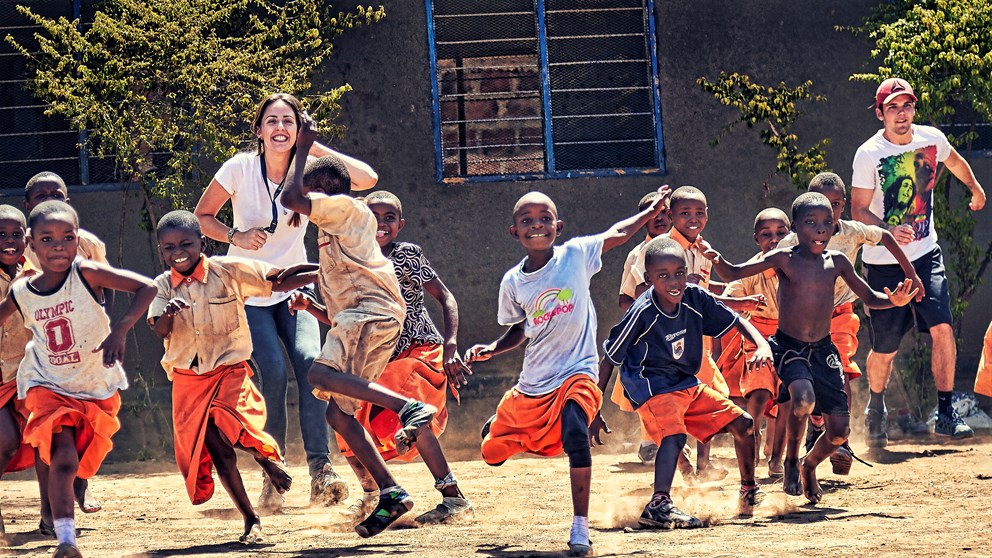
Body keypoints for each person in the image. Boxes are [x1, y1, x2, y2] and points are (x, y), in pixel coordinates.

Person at [463, 186, 671, 557]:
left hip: (579, 372)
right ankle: (501, 425)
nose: (536, 226)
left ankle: (579, 528)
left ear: (557, 227)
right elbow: (519, 329)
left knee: (575, 434)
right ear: (514, 232)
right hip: (534, 383)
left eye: (545, 219)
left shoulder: (575, 254)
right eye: (527, 221)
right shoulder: (513, 282)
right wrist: (492, 348)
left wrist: (648, 212)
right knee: (491, 453)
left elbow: (617, 234)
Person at [194, 93, 377, 508]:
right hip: (248, 290)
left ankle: (320, 470)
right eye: (272, 121)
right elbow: (203, 215)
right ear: (258, 130)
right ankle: (271, 471)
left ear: (299, 129)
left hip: (295, 286)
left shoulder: (307, 169)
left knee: (312, 364)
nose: (280, 128)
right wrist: (234, 237)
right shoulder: (239, 167)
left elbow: (366, 178)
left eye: (289, 122)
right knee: (272, 374)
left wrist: (312, 145)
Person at [280, 114, 437, 538]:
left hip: (370, 311)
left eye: (314, 195)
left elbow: (291, 197)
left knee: (316, 371)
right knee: (338, 412)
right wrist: (306, 273)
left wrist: (302, 148)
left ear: (326, 192)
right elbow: (345, 270)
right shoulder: (341, 225)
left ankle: (408, 407)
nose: (308, 206)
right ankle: (391, 493)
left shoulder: (346, 207)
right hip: (368, 313)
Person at [704, 192, 918, 503]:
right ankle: (790, 459)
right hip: (789, 346)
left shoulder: (838, 262)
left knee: (839, 433)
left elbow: (870, 297)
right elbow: (734, 272)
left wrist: (893, 300)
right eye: (811, 223)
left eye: (826, 224)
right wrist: (717, 260)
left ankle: (809, 465)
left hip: (823, 349)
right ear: (795, 229)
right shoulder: (784, 259)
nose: (820, 230)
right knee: (802, 399)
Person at [289, 190, 474, 526]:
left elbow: (446, 297)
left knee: (409, 415)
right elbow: (346, 322)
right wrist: (310, 307)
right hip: (376, 359)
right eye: (374, 216)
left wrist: (452, 345)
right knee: (344, 418)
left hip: (417, 351)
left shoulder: (407, 256)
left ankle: (454, 497)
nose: (382, 223)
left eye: (390, 217)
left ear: (400, 225)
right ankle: (374, 495)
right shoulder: (347, 263)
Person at [147, 210, 320, 544]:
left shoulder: (228, 271)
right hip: (189, 380)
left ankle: (267, 462)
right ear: (161, 251)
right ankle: (251, 519)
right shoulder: (162, 286)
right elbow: (158, 329)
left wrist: (323, 270)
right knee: (219, 452)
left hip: (228, 371)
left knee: (237, 425)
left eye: (186, 243)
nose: (178, 251)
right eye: (169, 247)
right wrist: (169, 314)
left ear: (203, 242)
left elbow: (279, 280)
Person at [0, 201, 157, 558]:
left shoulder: (87, 273)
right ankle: (66, 540)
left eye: (67, 237)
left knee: (83, 458)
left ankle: (62, 528)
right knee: (63, 457)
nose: (58, 246)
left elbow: (147, 288)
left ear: (77, 240)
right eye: (47, 238)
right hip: (47, 385)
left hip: (91, 384)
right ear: (30, 244)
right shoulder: (22, 292)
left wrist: (120, 328)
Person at [596, 237, 771, 529]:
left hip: (685, 384)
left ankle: (749, 491)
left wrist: (761, 344)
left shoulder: (695, 297)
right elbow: (610, 357)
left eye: (679, 272)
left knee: (744, 424)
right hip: (651, 387)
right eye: (662, 276)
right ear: (649, 278)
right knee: (675, 437)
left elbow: (736, 320)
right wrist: (594, 407)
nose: (673, 281)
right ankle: (659, 505)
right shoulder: (643, 312)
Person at [850, 78, 986, 446]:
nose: (902, 113)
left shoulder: (931, 139)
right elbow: (858, 210)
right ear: (880, 113)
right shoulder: (868, 154)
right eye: (893, 107)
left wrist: (975, 188)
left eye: (907, 105)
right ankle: (875, 406)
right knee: (885, 349)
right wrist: (889, 228)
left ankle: (945, 412)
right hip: (883, 263)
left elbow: (955, 161)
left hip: (926, 255)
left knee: (943, 326)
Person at [778, 171, 926, 465]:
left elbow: (884, 235)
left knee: (842, 367)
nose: (829, 213)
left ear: (843, 205)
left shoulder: (852, 232)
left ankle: (842, 443)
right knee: (808, 380)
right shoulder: (790, 244)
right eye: (821, 204)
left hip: (840, 313)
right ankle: (817, 427)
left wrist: (912, 275)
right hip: (803, 324)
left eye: (835, 205)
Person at [22, 172, 107, 524]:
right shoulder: (16, 244)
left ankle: (78, 488)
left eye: (56, 194)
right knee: (49, 430)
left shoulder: (87, 245)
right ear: (27, 206)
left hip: (85, 353)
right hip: (38, 356)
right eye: (40, 195)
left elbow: (103, 291)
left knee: (92, 425)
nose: (48, 199)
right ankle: (50, 512)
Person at [721, 208, 791, 478]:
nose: (773, 240)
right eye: (766, 235)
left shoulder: (801, 264)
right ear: (756, 239)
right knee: (759, 392)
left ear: (791, 234)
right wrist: (744, 304)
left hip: (792, 338)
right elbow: (729, 298)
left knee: (787, 399)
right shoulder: (752, 269)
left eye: (781, 233)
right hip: (758, 338)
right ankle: (753, 435)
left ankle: (778, 458)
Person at [615, 190, 672, 464]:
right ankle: (649, 441)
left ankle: (683, 445)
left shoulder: (688, 249)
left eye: (665, 212)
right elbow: (626, 297)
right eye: (653, 213)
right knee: (651, 384)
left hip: (683, 329)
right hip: (650, 330)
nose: (659, 218)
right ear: (643, 219)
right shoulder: (639, 254)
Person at [0, 206, 35, 540]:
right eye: (1, 234)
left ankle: (53, 516)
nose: (9, 241)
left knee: (47, 437)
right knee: (6, 442)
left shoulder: (37, 274)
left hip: (30, 375)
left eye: (15, 235)